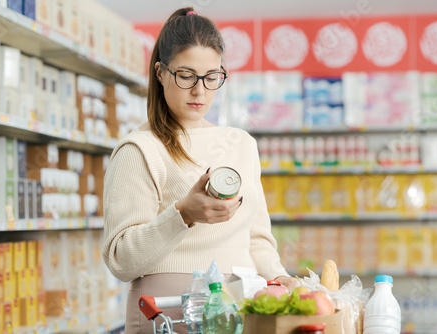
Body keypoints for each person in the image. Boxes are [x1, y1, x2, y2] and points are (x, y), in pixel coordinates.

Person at [102, 7, 298, 334]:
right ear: (160, 73)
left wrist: (280, 278)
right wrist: (183, 214)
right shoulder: (139, 149)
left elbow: (258, 239)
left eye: (211, 77)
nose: (200, 91)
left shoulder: (241, 143)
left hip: (238, 309)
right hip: (166, 313)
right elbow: (121, 260)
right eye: (186, 75)